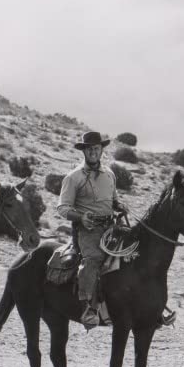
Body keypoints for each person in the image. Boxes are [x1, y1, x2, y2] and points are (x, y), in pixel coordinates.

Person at [57, 130, 127, 327]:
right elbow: (62, 208)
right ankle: (89, 307)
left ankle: (148, 306)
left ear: (101, 150)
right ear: (84, 151)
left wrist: (119, 205)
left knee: (135, 253)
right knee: (93, 260)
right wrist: (81, 217)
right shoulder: (73, 177)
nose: (93, 152)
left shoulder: (109, 174)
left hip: (111, 227)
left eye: (96, 148)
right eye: (89, 149)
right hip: (87, 229)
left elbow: (113, 199)